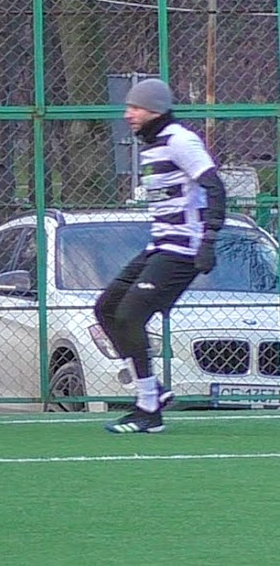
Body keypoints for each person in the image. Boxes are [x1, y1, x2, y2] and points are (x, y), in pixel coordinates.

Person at [99, 78, 226, 434]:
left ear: (155, 109)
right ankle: (150, 391)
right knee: (106, 308)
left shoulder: (181, 141)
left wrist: (209, 239)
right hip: (160, 245)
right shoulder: (153, 146)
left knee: (128, 316)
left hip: (183, 249)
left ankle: (148, 410)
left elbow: (215, 186)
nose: (128, 115)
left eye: (135, 108)